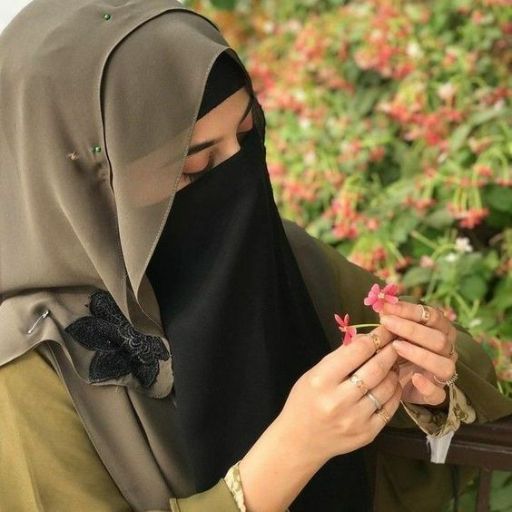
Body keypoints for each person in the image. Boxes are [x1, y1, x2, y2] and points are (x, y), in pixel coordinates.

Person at [0, 1, 511, 511]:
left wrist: (428, 378)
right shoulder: (29, 367)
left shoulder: (281, 256)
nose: (239, 182)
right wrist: (292, 451)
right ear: (83, 184)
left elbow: (462, 391)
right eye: (194, 169)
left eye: (248, 137)